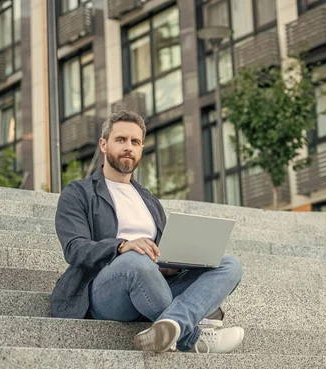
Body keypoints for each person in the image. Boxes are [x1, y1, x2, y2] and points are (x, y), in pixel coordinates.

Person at [51, 110, 244, 354]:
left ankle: (172, 324)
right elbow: (74, 249)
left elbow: (159, 253)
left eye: (135, 142)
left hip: (153, 285)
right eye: (121, 140)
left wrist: (171, 263)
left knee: (229, 265)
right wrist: (122, 246)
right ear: (104, 144)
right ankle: (194, 337)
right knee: (135, 260)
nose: (128, 147)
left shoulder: (149, 201)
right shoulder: (78, 193)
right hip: (105, 292)